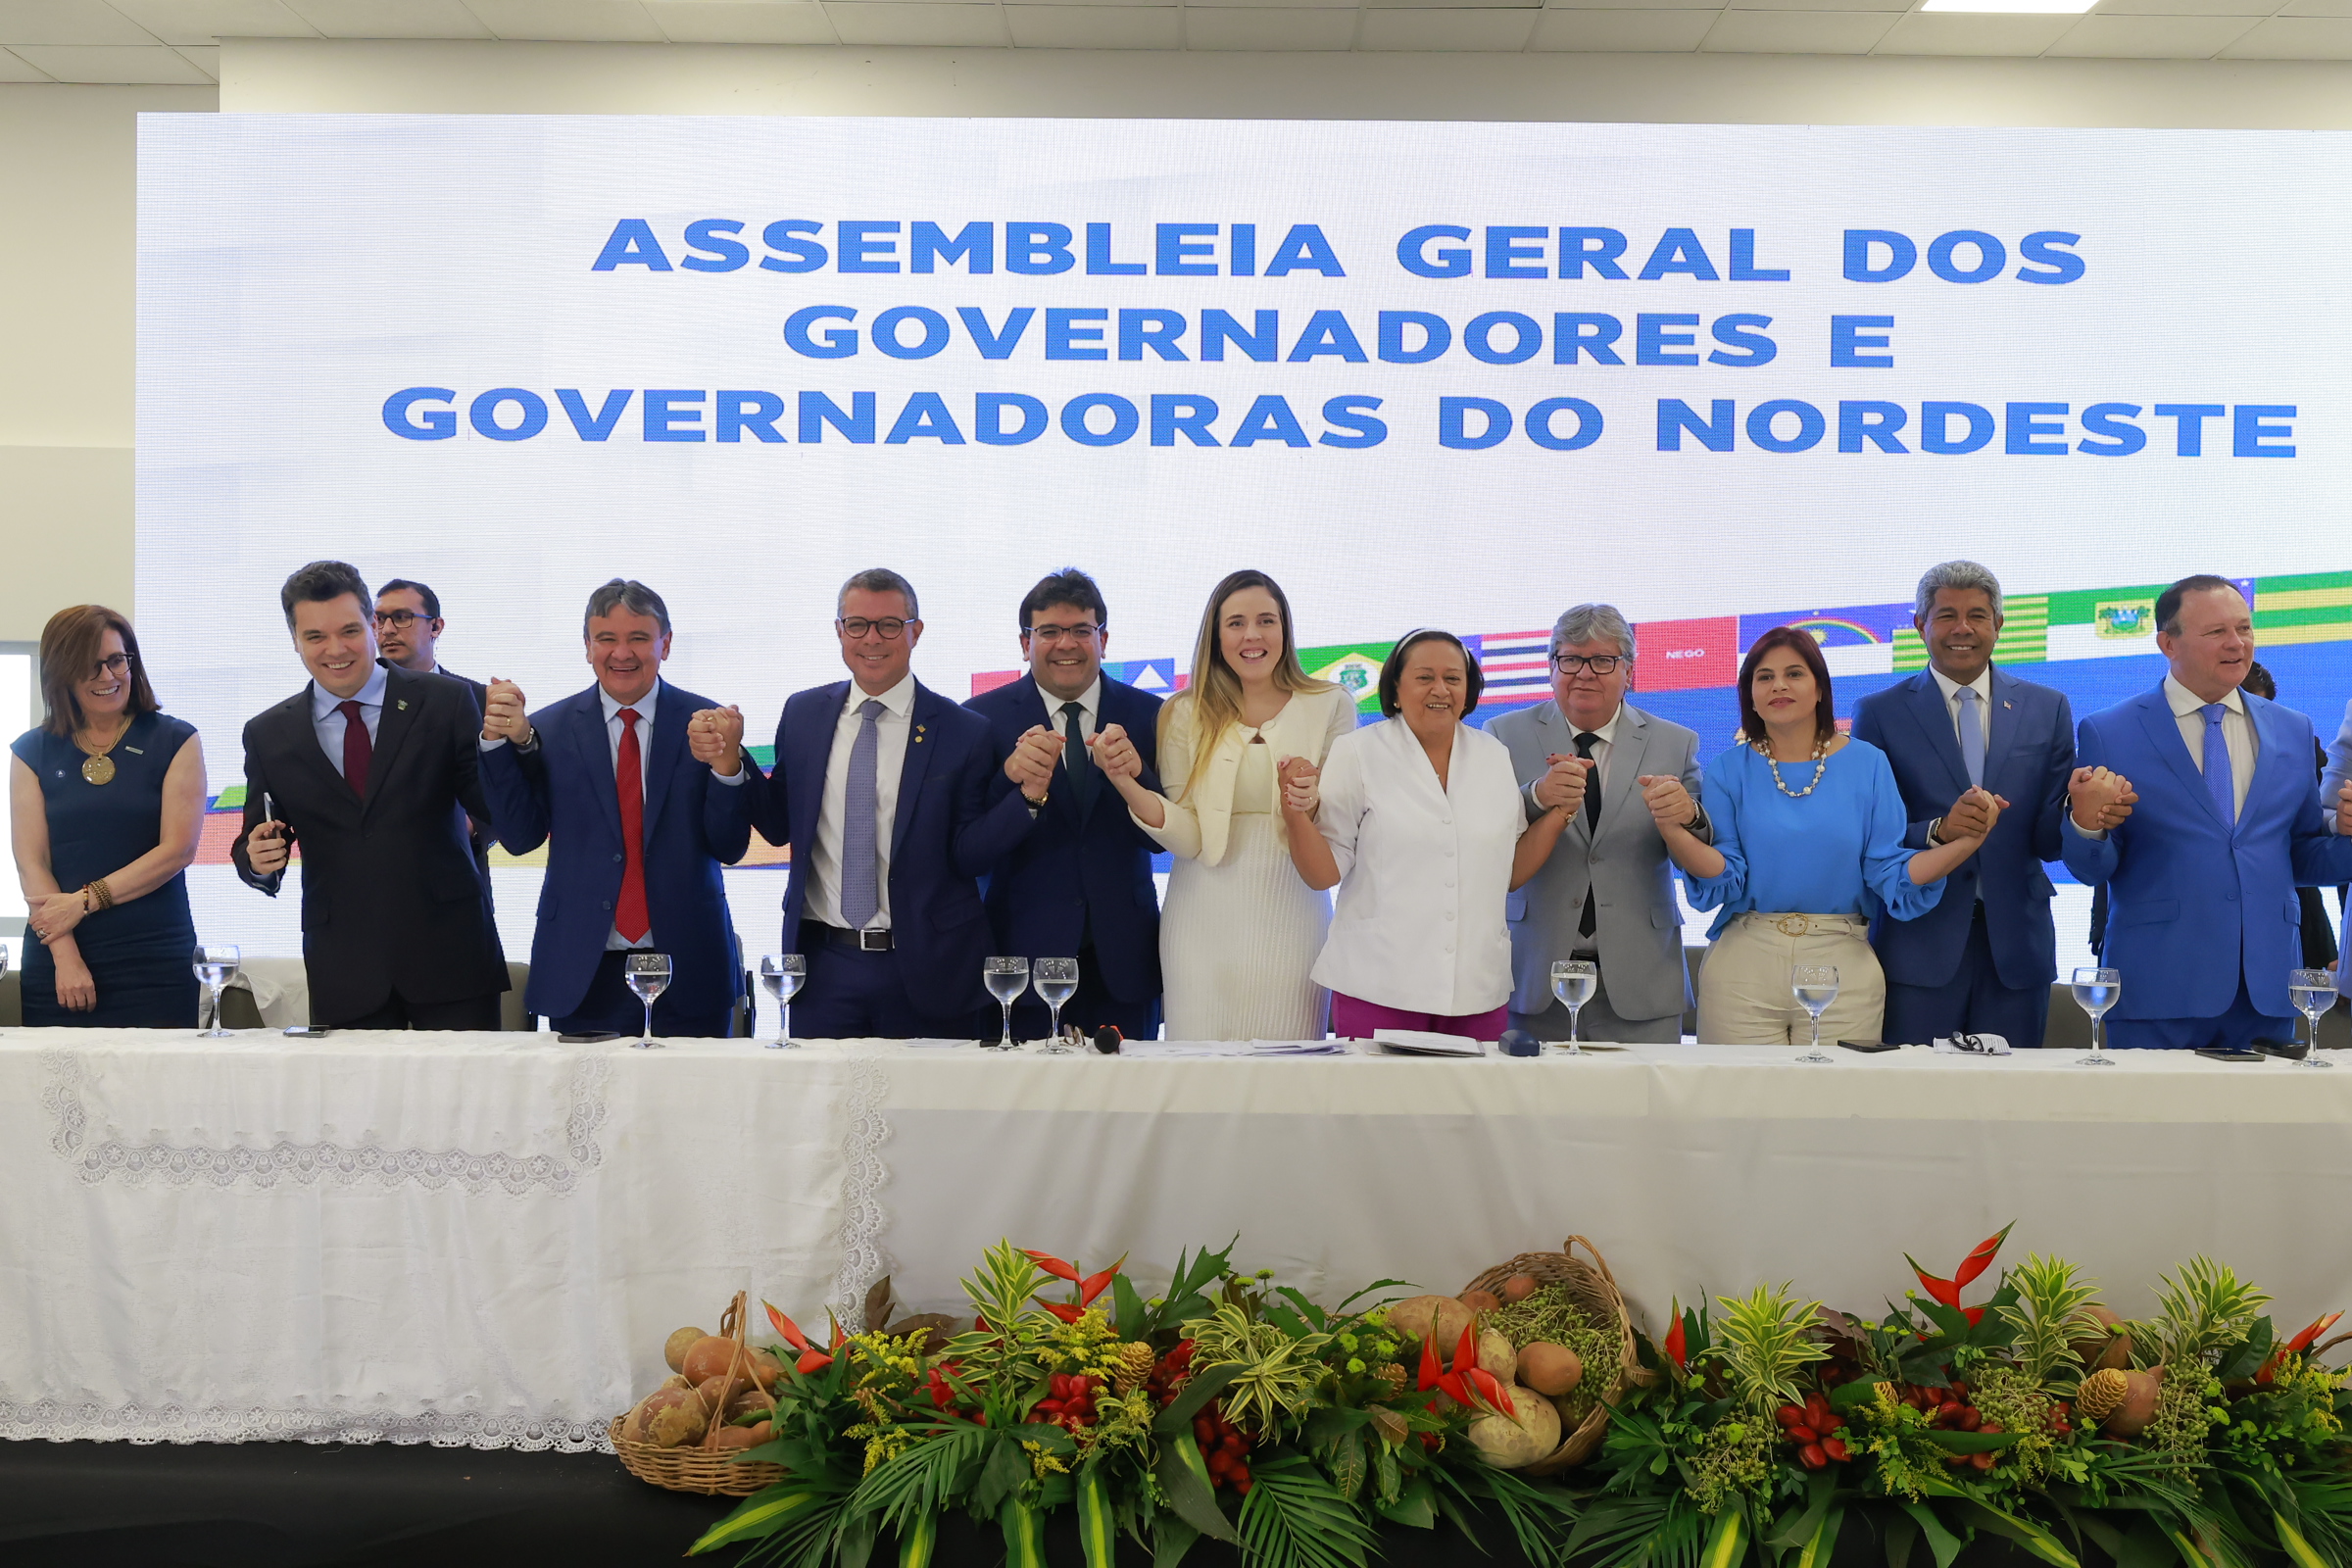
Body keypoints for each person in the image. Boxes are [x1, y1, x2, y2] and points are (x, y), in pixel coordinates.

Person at [1661, 627, 1988, 1046]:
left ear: (1819, 689)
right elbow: (1725, 874)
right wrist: (1670, 828)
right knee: (1739, 1088)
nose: (1779, 685)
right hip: (1743, 964)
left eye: (1794, 673)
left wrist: (1965, 843)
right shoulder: (1727, 768)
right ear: (1751, 697)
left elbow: (1889, 870)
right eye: (1764, 677)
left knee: (1836, 1088)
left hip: (1842, 961)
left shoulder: (1868, 763)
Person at [2066, 576, 2352, 1050]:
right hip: (2157, 989)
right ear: (2168, 643)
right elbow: (2091, 869)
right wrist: (2087, 825)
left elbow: (2301, 857)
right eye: (2217, 631)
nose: (2236, 643)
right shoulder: (2109, 731)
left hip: (2267, 991)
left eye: (2244, 628)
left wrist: (2346, 838)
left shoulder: (2293, 730)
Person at [748, 568, 1034, 1039]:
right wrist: (732, 766)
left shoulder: (964, 730)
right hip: (823, 968)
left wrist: (1028, 799)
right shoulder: (803, 714)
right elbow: (779, 823)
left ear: (915, 632)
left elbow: (969, 853)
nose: (872, 638)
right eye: (857, 624)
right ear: (839, 631)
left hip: (930, 967)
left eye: (889, 625)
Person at [230, 560, 509, 1029]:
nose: (335, 649)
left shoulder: (445, 701)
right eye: (315, 636)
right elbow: (253, 841)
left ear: (373, 627)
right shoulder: (268, 734)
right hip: (345, 972)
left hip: (452, 961)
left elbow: (498, 811)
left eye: (349, 631)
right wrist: (258, 860)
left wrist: (506, 747)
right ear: (295, 640)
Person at [476, 579, 754, 1038]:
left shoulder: (709, 726)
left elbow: (730, 846)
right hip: (581, 973)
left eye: (639, 638)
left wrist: (727, 768)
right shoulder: (548, 729)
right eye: (606, 638)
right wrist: (495, 743)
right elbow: (521, 838)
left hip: (689, 967)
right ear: (587, 646)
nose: (622, 653)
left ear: (666, 644)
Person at [1097, 569, 1356, 1040]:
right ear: (1216, 637)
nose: (1252, 635)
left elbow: (1335, 823)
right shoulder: (1182, 711)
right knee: (1198, 1070)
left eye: (1266, 621)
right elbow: (1188, 837)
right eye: (1236, 623)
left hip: (1294, 915)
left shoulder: (1331, 704)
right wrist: (1126, 782)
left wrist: (1306, 800)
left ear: (1285, 629)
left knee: (1287, 1066)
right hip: (1199, 920)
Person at [1281, 631, 1574, 1039]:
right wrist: (1295, 814)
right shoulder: (1359, 751)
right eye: (1424, 678)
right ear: (1395, 690)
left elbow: (1508, 872)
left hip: (1477, 988)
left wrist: (1559, 813)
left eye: (1453, 678)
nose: (1441, 689)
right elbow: (1323, 873)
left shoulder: (1493, 755)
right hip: (1379, 986)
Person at [1852, 562, 2076, 1048]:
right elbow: (1870, 834)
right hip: (1917, 946)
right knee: (1916, 1091)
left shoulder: (2049, 708)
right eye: (1946, 615)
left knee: (2012, 1091)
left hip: (2017, 950)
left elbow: (2049, 838)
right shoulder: (1880, 713)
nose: (1962, 629)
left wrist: (2083, 815)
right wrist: (1939, 831)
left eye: (1977, 615)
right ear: (1920, 625)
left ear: (1999, 624)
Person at [1487, 604, 1711, 1044]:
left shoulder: (1675, 742)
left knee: (1646, 1093)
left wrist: (1690, 814)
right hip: (1531, 975)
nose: (1585, 673)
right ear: (1551, 667)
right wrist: (1537, 796)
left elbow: (1702, 847)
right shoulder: (1502, 735)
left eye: (1603, 661)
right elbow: (1484, 837)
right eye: (1570, 659)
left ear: (1629, 672)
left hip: (1642, 978)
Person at [965, 568, 1165, 1041]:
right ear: (1025, 642)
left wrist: (1135, 776)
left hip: (1124, 963)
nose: (1066, 644)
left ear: (1103, 639)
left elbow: (1164, 839)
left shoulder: (1151, 715)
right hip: (1019, 967)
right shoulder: (979, 720)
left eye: (1080, 630)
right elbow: (971, 851)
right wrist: (1013, 783)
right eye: (1049, 631)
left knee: (1130, 1090)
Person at [8, 606, 204, 1026]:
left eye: (117, 660)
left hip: (154, 955)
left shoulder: (175, 739)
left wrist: (83, 902)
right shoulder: (31, 751)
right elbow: (31, 862)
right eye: (90, 666)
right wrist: (66, 957)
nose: (108, 676)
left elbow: (177, 850)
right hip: (59, 955)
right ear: (61, 673)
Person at [2105, 662, 2337, 971]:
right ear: (2169, 644)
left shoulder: (2297, 734)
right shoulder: (2120, 731)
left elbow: (2304, 842)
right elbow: (2107, 845)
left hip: (2274, 950)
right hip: (2165, 955)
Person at [376, 577, 495, 880]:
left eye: (401, 617)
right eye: (378, 619)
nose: (387, 629)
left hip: (457, 879)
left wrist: (472, 826)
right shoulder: (353, 703)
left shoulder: (479, 699)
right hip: (374, 878)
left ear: (436, 626)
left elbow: (504, 788)